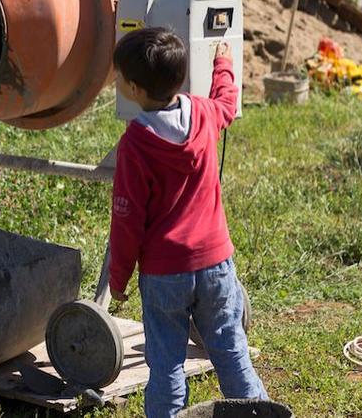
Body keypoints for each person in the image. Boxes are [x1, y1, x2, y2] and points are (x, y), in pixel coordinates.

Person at [108, 27, 267, 417]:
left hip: (164, 274)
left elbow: (127, 220)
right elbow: (227, 102)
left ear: (133, 87)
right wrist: (223, 63)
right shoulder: (204, 112)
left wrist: (118, 278)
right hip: (216, 265)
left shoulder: (135, 144)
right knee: (231, 350)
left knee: (166, 365)